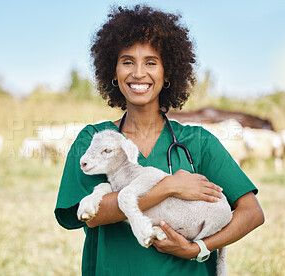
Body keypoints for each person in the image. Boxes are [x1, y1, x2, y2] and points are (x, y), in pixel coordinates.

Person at [55, 5, 264, 275]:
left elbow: (251, 213)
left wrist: (198, 248)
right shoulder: (93, 140)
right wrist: (169, 186)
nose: (139, 73)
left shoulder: (198, 142)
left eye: (151, 62)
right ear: (113, 71)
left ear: (168, 74)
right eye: (127, 61)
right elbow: (92, 215)